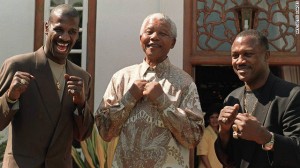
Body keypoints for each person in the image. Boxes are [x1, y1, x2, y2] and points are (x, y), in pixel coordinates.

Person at [95, 13, 204, 168]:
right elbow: (104, 131)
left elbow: (193, 137)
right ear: (141, 39)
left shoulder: (184, 82)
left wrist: (163, 101)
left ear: (173, 43)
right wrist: (129, 98)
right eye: (149, 32)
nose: (154, 37)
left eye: (162, 33)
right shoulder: (121, 78)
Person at [0, 4, 94, 167]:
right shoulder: (18, 65)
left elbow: (83, 135)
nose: (65, 37)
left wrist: (81, 104)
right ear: (46, 27)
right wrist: (10, 97)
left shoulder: (82, 78)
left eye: (71, 32)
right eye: (59, 29)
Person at [215, 29, 300, 167]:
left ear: (266, 56)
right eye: (235, 56)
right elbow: (228, 159)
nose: (240, 61)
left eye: (248, 54)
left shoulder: (291, 95)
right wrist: (224, 132)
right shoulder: (232, 98)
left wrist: (264, 136)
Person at [196, 104, 222, 168]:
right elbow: (202, 154)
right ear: (208, 119)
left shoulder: (220, 133)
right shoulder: (205, 133)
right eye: (212, 117)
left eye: (216, 117)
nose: (215, 120)